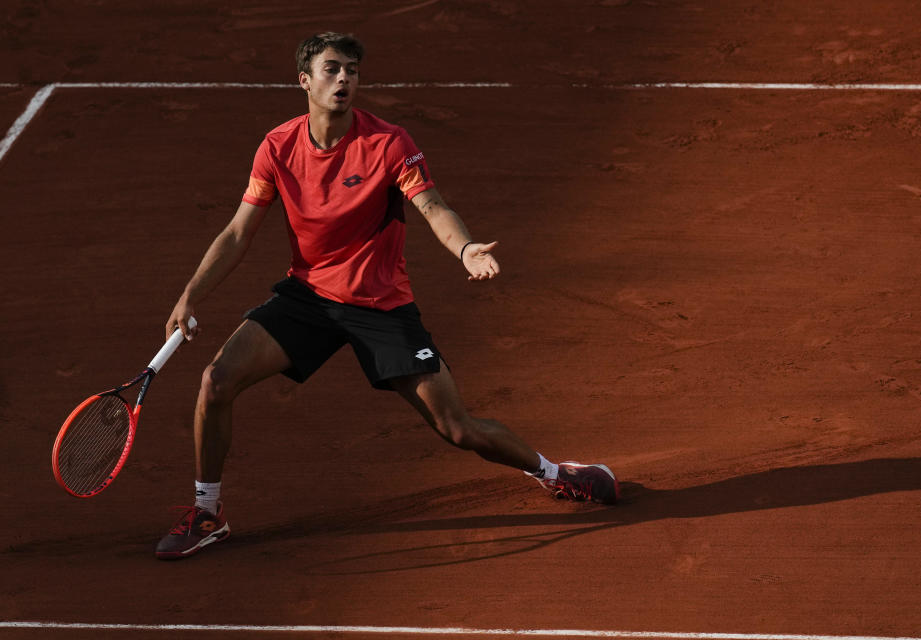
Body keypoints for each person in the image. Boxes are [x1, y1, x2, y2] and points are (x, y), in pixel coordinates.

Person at [155, 32, 619, 560]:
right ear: (304, 80)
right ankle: (208, 514)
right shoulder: (277, 147)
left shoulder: (388, 143)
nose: (344, 80)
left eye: (352, 70)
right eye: (332, 70)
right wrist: (190, 295)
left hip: (381, 305)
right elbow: (239, 232)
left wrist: (465, 249)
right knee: (216, 380)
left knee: (456, 427)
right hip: (309, 297)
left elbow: (435, 208)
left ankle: (556, 473)